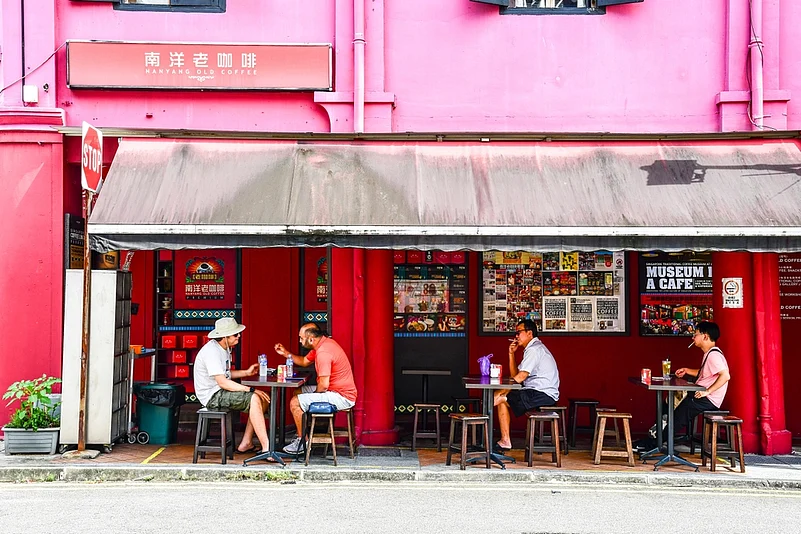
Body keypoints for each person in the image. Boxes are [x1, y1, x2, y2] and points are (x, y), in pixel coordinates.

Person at [274, 323, 358, 454]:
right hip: (333, 390)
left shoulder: (323, 352)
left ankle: (303, 443)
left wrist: (313, 397)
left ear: (311, 339)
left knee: (295, 402)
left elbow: (323, 385)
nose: (300, 341)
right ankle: (301, 434)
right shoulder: (323, 344)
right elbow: (303, 361)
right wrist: (285, 353)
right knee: (298, 392)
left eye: (301, 338)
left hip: (341, 396)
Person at [193, 317, 271, 454]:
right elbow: (223, 382)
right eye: (235, 334)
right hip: (212, 396)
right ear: (224, 337)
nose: (238, 336)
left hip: (219, 391)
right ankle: (267, 449)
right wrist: (251, 389)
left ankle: (246, 442)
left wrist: (246, 373)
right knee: (254, 398)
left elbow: (226, 374)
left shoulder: (224, 348)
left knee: (262, 399)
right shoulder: (212, 352)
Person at [493, 319, 560, 451]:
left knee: (498, 397)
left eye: (519, 332)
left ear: (529, 333)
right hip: (536, 392)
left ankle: (488, 438)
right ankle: (505, 441)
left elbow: (521, 377)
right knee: (500, 399)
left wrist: (503, 391)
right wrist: (511, 354)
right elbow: (516, 376)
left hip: (542, 394)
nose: (516, 336)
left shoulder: (534, 349)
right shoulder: (532, 349)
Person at [673, 321, 730, 437]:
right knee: (671, 402)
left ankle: (654, 442)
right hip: (703, 396)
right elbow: (705, 373)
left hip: (707, 399)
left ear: (705, 336)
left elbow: (725, 376)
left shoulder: (713, 355)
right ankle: (657, 436)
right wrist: (687, 370)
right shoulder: (709, 354)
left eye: (696, 334)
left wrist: (707, 391)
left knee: (678, 414)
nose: (693, 337)